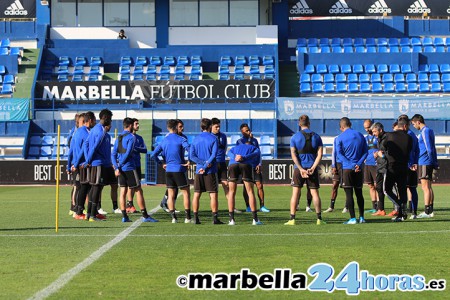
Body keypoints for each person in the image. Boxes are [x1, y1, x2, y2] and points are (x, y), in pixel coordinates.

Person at [112, 118, 158, 223]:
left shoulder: (119, 137)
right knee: (138, 190)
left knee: (123, 191)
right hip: (129, 167)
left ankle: (125, 216)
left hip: (121, 168)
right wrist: (120, 165)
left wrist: (117, 166)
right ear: (130, 125)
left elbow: (113, 153)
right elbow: (128, 153)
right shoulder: (131, 137)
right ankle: (145, 216)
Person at [285, 115, 325, 225]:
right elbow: (320, 154)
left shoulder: (295, 137)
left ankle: (292, 219)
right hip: (312, 168)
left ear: (299, 123)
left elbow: (293, 155)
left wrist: (301, 168)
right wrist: (312, 167)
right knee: (315, 193)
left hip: (299, 169)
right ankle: (319, 219)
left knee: (295, 194)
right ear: (309, 123)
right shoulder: (317, 137)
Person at [151, 119, 191, 223]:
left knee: (171, 194)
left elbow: (153, 155)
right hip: (178, 169)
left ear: (169, 128)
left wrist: (161, 164)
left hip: (168, 170)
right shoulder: (181, 139)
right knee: (186, 193)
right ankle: (188, 218)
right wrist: (189, 161)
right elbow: (190, 150)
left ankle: (173, 218)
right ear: (176, 127)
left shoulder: (164, 140)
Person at [84, 109, 115, 222]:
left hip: (100, 163)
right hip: (98, 164)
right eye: (110, 119)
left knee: (95, 187)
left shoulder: (96, 129)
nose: (111, 121)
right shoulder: (100, 132)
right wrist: (88, 160)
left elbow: (86, 143)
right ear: (106, 119)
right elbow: (94, 147)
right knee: (96, 188)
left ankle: (89, 214)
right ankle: (92, 215)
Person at [189, 118, 223, 224]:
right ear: (209, 127)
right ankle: (215, 218)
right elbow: (214, 155)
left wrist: (201, 165)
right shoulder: (214, 139)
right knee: (213, 195)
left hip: (199, 170)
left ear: (201, 127)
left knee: (196, 194)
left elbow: (191, 156)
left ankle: (195, 218)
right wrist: (206, 165)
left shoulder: (195, 139)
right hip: (210, 170)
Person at [335, 117, 368, 224]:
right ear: (350, 124)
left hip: (347, 168)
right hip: (359, 168)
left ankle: (353, 218)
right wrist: (358, 163)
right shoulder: (360, 135)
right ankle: (362, 217)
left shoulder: (340, 138)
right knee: (359, 193)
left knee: (349, 194)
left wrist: (351, 164)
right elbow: (366, 152)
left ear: (342, 127)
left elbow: (339, 154)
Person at [380, 118, 413, 222]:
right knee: (402, 190)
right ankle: (402, 215)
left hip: (392, 167)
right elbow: (409, 150)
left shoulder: (389, 136)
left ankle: (399, 206)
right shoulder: (409, 137)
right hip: (403, 167)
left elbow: (382, 148)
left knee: (387, 189)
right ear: (404, 126)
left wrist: (383, 155)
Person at [237, 123, 270, 213]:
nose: (249, 131)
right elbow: (243, 152)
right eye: (246, 130)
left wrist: (259, 164)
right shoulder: (239, 142)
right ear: (242, 132)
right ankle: (248, 206)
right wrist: (250, 139)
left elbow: (258, 153)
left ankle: (262, 206)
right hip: (246, 167)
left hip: (255, 166)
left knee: (259, 185)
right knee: (246, 187)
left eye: (249, 130)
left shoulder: (255, 141)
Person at [227, 141, 262, 225]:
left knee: (231, 192)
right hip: (246, 164)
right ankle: (255, 219)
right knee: (250, 192)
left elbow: (228, 152)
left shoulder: (235, 148)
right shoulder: (253, 148)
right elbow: (256, 154)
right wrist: (244, 157)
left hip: (233, 165)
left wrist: (235, 157)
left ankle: (231, 220)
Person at [411, 114, 438, 218]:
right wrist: (434, 162)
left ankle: (427, 211)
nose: (414, 126)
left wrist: (431, 161)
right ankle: (430, 210)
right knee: (429, 187)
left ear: (418, 122)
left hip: (425, 162)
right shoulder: (429, 130)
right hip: (427, 162)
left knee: (425, 187)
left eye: (414, 124)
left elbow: (430, 148)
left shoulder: (425, 131)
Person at [71, 112, 96, 220]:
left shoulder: (78, 132)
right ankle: (79, 211)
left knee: (84, 188)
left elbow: (72, 150)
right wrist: (76, 164)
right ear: (90, 120)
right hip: (83, 164)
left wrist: (71, 164)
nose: (95, 122)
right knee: (85, 188)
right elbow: (82, 149)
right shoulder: (85, 132)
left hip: (80, 163)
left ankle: (85, 211)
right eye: (94, 120)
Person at [159, 119, 185, 213]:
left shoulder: (182, 137)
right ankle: (166, 204)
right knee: (173, 187)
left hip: (180, 165)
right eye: (180, 127)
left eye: (182, 126)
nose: (182, 128)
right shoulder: (169, 137)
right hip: (171, 165)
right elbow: (162, 151)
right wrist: (164, 162)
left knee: (174, 187)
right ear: (175, 127)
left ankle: (167, 204)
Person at [398, 115, 420, 219]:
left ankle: (404, 212)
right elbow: (417, 151)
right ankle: (413, 212)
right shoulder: (413, 135)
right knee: (411, 188)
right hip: (410, 165)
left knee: (404, 189)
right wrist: (415, 162)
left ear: (405, 126)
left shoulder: (408, 136)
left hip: (405, 166)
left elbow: (408, 151)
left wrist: (411, 163)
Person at [125, 118, 146, 214]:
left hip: (137, 164)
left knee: (134, 186)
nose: (138, 125)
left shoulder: (139, 138)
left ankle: (129, 205)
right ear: (131, 125)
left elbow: (145, 149)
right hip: (129, 165)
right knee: (132, 186)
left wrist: (135, 148)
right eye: (136, 124)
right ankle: (129, 205)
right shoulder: (127, 137)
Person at [211, 118, 232, 211]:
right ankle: (214, 209)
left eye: (219, 126)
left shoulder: (223, 136)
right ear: (211, 126)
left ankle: (231, 207)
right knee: (213, 188)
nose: (218, 128)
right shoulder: (209, 136)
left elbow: (225, 148)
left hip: (222, 163)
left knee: (226, 185)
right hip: (213, 164)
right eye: (216, 127)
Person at [370, 122, 388, 217]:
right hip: (380, 167)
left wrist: (383, 155)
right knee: (379, 188)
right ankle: (381, 209)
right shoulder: (378, 139)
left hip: (386, 167)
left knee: (389, 190)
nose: (373, 134)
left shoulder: (387, 138)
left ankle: (398, 209)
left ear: (380, 130)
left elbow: (389, 153)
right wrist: (377, 154)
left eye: (375, 131)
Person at [363, 119, 378, 213]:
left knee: (378, 186)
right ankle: (374, 207)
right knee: (371, 185)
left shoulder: (378, 137)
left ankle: (380, 207)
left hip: (376, 164)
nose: (367, 129)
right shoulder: (365, 138)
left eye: (368, 127)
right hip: (367, 163)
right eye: (365, 128)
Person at [67, 113, 81, 216]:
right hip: (75, 163)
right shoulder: (74, 133)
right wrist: (69, 165)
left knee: (78, 186)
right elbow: (70, 149)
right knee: (76, 186)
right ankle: (74, 208)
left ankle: (75, 207)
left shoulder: (77, 131)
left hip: (77, 162)